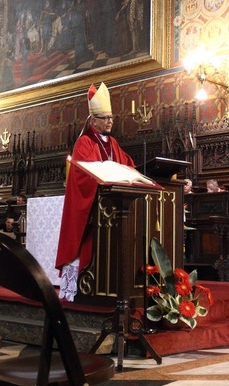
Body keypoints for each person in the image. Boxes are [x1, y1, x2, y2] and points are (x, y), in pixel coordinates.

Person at [55, 82, 135, 302]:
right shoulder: (84, 142)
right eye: (105, 117)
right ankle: (81, 285)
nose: (110, 121)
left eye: (111, 117)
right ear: (93, 120)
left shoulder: (114, 143)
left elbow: (127, 165)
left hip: (113, 205)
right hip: (93, 209)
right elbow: (83, 174)